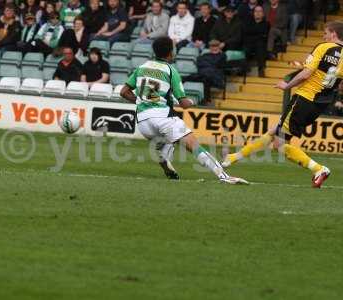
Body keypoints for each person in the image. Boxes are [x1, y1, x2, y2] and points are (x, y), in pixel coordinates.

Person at [222, 21, 343, 188]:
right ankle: (233, 157)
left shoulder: (323, 47)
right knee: (275, 130)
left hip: (304, 98)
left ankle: (319, 169)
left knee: (279, 145)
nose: (323, 36)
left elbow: (306, 73)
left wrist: (287, 86)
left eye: (325, 33)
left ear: (333, 34)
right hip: (319, 104)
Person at [120, 36, 247, 184]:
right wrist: (193, 101)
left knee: (168, 139)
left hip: (142, 122)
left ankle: (164, 157)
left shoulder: (142, 68)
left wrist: (141, 101)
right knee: (194, 145)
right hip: (162, 117)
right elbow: (184, 103)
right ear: (170, 53)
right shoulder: (170, 70)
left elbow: (123, 92)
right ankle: (224, 176)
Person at [243, 5, 268, 77]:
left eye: (260, 11)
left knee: (260, 47)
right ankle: (244, 68)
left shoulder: (266, 23)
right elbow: (246, 32)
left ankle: (261, 69)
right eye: (256, 11)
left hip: (259, 44)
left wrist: (253, 32)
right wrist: (257, 33)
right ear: (253, 13)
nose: (258, 13)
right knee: (246, 48)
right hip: (249, 43)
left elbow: (263, 34)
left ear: (263, 14)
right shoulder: (248, 22)